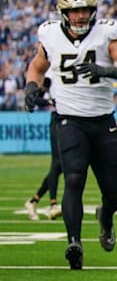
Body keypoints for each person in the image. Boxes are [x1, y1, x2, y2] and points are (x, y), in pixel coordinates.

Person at [24, 0, 117, 269]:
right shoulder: (50, 35)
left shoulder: (106, 34)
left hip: (102, 120)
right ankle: (74, 242)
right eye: (74, 11)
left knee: (114, 193)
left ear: (93, 11)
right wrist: (31, 86)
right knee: (74, 178)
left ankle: (105, 216)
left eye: (84, 10)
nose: (80, 17)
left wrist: (106, 70)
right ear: (63, 13)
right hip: (68, 119)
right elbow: (37, 66)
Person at [25, 84, 63, 222]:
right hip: (58, 118)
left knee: (61, 166)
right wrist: (49, 101)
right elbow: (34, 97)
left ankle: (34, 201)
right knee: (57, 163)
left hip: (71, 119)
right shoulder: (50, 73)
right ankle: (53, 204)